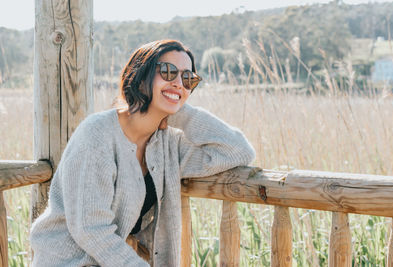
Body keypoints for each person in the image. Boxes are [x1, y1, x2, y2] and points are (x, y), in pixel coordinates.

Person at [30, 39, 255, 267]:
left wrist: (177, 106)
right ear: (140, 76)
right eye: (168, 72)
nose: (179, 83)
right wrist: (166, 99)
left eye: (188, 79)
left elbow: (237, 151)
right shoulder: (97, 134)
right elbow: (91, 230)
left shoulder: (167, 146)